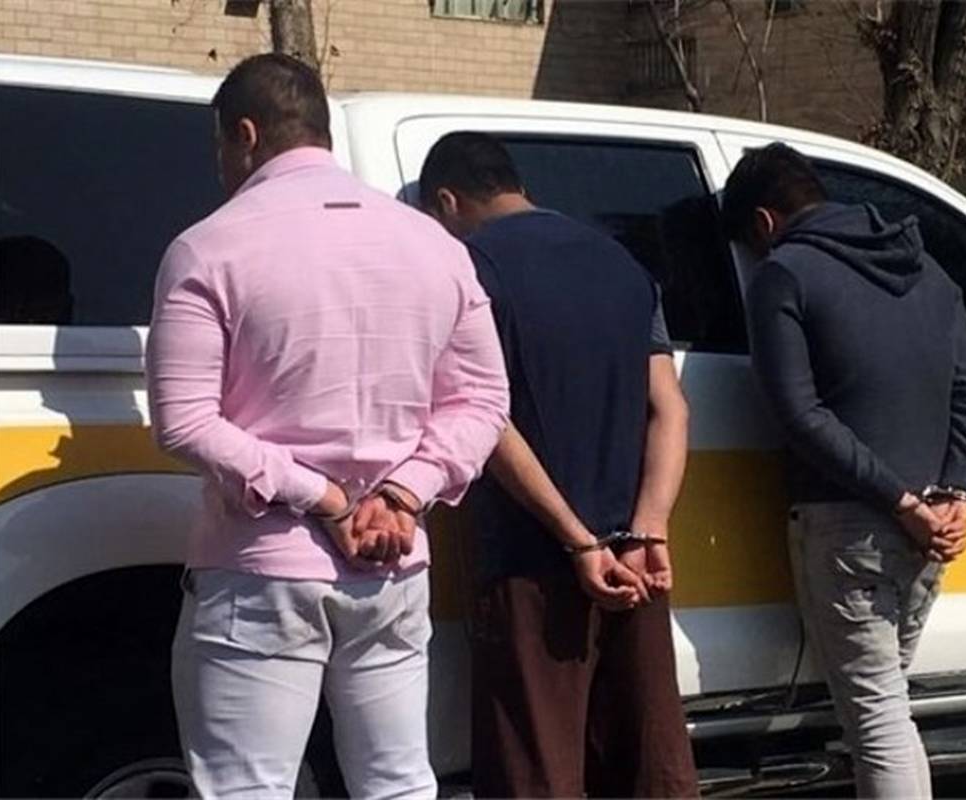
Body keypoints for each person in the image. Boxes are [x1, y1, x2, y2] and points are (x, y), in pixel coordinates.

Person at [146, 55, 509, 798]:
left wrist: (323, 497)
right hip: (392, 561)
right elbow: (482, 401)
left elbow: (183, 420)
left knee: (248, 787)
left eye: (221, 146)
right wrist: (403, 494)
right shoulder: (436, 246)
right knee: (398, 782)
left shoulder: (208, 247)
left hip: (262, 566)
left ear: (245, 135)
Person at [418, 132, 698, 798]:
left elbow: (487, 421)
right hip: (635, 564)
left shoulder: (470, 269)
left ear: (447, 201)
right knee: (646, 766)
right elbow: (670, 408)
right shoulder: (623, 264)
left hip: (531, 567)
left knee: (535, 772)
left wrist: (578, 540)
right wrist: (647, 528)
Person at [722, 143, 966, 799]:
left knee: (877, 720)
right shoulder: (924, 268)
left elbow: (799, 412)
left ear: (763, 222)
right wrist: (955, 494)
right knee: (887, 708)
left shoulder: (784, 274)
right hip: (930, 528)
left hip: (851, 524)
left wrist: (900, 501)